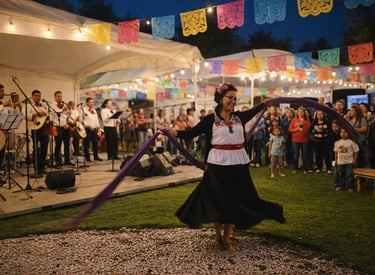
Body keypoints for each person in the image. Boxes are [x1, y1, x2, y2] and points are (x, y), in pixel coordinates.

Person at [167, 82, 285, 252]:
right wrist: (174, 132)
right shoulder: (210, 120)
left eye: (235, 98)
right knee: (217, 199)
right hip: (217, 164)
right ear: (221, 99)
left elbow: (255, 110)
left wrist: (268, 101)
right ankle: (217, 236)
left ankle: (227, 238)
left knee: (235, 199)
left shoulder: (239, 117)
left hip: (237, 163)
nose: (233, 101)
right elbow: (191, 133)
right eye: (230, 97)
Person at [25, 90, 49, 175]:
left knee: (44, 149)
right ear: (32, 97)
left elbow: (47, 116)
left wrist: (47, 118)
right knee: (36, 149)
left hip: (44, 129)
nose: (38, 97)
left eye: (39, 95)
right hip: (35, 128)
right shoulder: (28, 106)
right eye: (36, 95)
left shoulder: (44, 106)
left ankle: (42, 167)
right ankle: (36, 169)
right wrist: (36, 114)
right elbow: (25, 115)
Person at [51, 91, 74, 167]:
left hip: (66, 127)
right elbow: (54, 114)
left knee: (67, 144)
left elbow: (68, 116)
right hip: (58, 126)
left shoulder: (64, 105)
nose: (60, 98)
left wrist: (67, 124)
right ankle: (58, 161)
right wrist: (62, 110)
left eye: (61, 96)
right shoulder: (52, 105)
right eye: (58, 96)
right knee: (58, 144)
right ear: (54, 97)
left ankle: (67, 160)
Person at [334, 128, 359, 192]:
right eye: (341, 132)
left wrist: (355, 160)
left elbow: (356, 151)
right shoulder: (337, 143)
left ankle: (350, 186)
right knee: (341, 174)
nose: (343, 134)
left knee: (349, 174)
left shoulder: (352, 143)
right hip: (340, 162)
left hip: (349, 162)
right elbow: (336, 152)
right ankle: (341, 185)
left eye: (345, 132)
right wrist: (336, 160)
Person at [288, 107, 311, 174]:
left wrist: (304, 126)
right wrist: (296, 129)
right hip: (295, 140)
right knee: (296, 155)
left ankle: (305, 168)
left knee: (304, 155)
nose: (300, 113)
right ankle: (295, 168)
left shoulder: (307, 121)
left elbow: (308, 130)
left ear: (304, 113)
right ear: (297, 113)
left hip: (304, 140)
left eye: (302, 112)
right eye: (299, 112)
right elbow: (290, 129)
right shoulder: (294, 120)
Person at [310, 109, 332, 174]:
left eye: (321, 114)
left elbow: (330, 130)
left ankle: (328, 168)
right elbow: (311, 131)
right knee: (318, 155)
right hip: (316, 141)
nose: (319, 115)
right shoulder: (314, 122)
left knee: (326, 155)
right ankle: (319, 167)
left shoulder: (327, 122)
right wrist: (316, 131)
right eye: (318, 114)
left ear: (323, 115)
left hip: (325, 141)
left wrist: (323, 131)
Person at [83, 97, 103, 162]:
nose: (92, 103)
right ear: (87, 103)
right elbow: (81, 120)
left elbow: (96, 119)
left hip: (94, 129)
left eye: (92, 102)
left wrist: (98, 127)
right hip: (87, 128)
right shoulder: (83, 110)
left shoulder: (94, 110)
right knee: (87, 143)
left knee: (95, 143)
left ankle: (96, 156)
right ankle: (87, 157)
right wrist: (88, 125)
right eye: (90, 102)